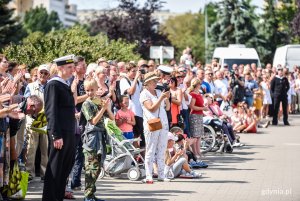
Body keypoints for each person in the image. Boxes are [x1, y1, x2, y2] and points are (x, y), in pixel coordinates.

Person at [42, 55, 77, 201]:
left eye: (72, 67)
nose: (72, 70)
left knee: (64, 170)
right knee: (55, 170)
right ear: (60, 68)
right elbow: (51, 111)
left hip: (69, 132)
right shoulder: (53, 84)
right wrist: (55, 135)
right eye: (69, 67)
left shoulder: (64, 84)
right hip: (60, 133)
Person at [81, 78, 114, 201]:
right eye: (87, 90)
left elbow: (112, 117)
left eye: (91, 90)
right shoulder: (86, 104)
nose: (89, 92)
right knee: (91, 168)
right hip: (91, 138)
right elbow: (93, 121)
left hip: (100, 137)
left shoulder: (99, 101)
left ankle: (91, 194)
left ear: (96, 89)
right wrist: (103, 109)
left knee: (98, 167)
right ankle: (87, 196)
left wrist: (107, 107)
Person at [140, 72, 170, 183]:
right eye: (153, 81)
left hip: (163, 123)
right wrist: (161, 98)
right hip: (152, 124)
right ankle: (149, 175)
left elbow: (167, 108)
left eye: (156, 80)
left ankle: (162, 175)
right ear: (147, 83)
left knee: (162, 150)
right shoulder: (144, 94)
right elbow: (151, 108)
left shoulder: (158, 92)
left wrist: (166, 98)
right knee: (151, 150)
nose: (155, 82)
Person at [23, 64, 50, 181]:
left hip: (46, 119)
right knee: (31, 147)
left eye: (45, 73)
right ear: (38, 73)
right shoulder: (30, 85)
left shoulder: (50, 86)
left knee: (45, 148)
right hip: (33, 118)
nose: (43, 75)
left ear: (48, 75)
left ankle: (45, 173)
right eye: (41, 73)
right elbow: (26, 101)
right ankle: (29, 172)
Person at [120, 63, 144, 147]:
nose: (135, 73)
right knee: (132, 136)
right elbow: (130, 92)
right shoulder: (124, 80)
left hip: (139, 112)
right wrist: (136, 78)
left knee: (138, 135)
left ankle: (137, 156)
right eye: (133, 71)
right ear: (127, 71)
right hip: (130, 112)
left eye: (136, 71)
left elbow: (142, 91)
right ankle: (133, 156)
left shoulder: (137, 81)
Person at [188, 78, 207, 161]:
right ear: (197, 85)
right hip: (194, 115)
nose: (201, 85)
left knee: (198, 136)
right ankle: (195, 153)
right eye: (200, 84)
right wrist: (203, 108)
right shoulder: (193, 94)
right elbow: (192, 106)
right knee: (195, 136)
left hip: (199, 115)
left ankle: (198, 152)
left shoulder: (198, 93)